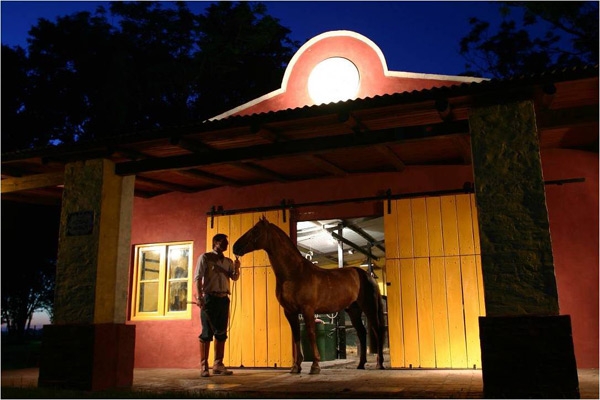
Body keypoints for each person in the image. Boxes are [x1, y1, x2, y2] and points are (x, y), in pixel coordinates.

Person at [194, 233, 241, 377]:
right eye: (224, 242)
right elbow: (198, 277)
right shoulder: (206, 257)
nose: (226, 244)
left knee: (221, 332)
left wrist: (237, 267)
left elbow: (234, 278)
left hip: (223, 298)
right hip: (209, 298)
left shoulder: (227, 261)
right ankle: (204, 365)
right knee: (207, 331)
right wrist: (200, 296)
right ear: (216, 243)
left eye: (227, 242)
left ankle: (218, 364)